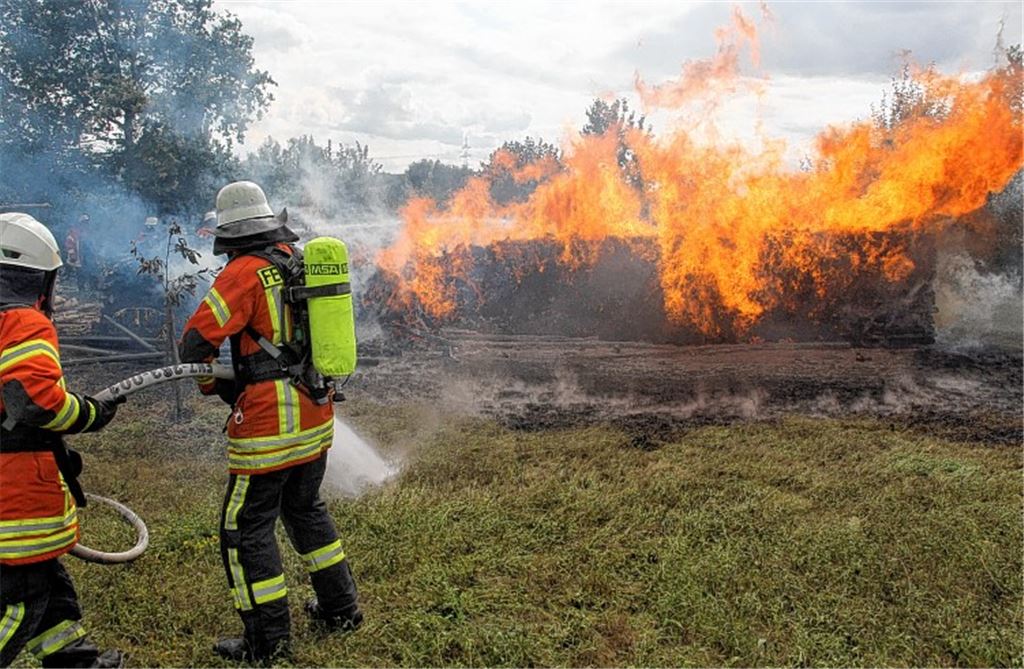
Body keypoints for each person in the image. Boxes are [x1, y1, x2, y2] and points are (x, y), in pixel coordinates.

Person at [179, 181, 362, 663]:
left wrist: (215, 389)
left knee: (245, 528)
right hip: (317, 414)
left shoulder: (242, 273)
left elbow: (195, 343)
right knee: (306, 509)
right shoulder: (298, 259)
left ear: (230, 234)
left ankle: (269, 641)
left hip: (268, 428)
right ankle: (342, 609)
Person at [0, 213, 125, 668]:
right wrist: (90, 413)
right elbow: (35, 403)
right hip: (12, 490)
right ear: (38, 278)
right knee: (21, 599)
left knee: (44, 581)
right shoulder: (22, 322)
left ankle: (75, 661)